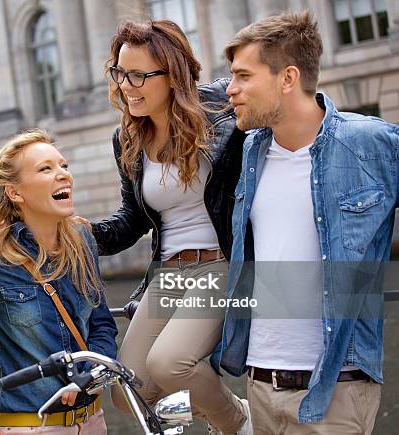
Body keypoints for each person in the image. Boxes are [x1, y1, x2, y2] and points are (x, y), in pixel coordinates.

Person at [211, 11, 399, 434]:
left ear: (287, 77)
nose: (231, 90)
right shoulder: (248, 153)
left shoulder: (372, 144)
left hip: (336, 388)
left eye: (243, 76)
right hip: (258, 383)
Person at [79, 20, 251, 434]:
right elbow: (133, 219)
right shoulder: (128, 139)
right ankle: (216, 415)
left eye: (139, 75)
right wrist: (82, 234)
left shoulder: (222, 111)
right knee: (126, 391)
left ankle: (239, 422)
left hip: (219, 264)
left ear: (172, 74)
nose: (126, 86)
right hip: (169, 274)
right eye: (121, 74)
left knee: (169, 364)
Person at [0, 129, 118, 435]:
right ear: (15, 193)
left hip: (93, 422)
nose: (63, 175)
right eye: (46, 169)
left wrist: (89, 374)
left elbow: (102, 324)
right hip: (28, 427)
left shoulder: (82, 240)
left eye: (63, 166)